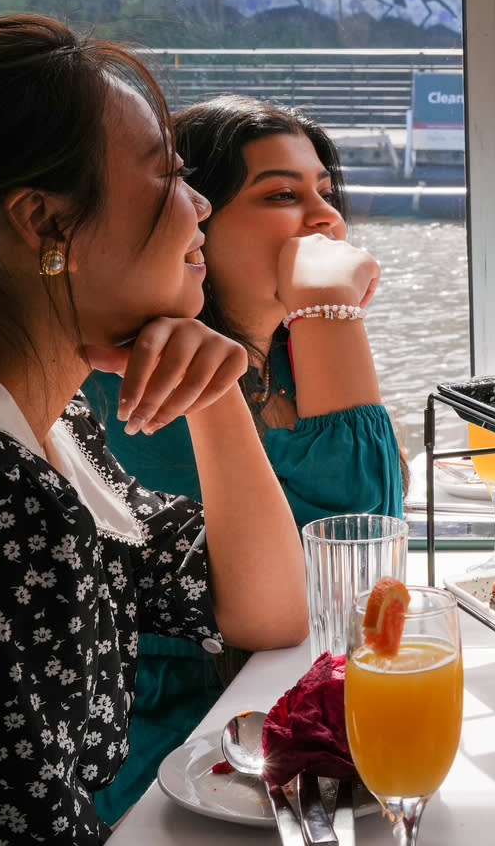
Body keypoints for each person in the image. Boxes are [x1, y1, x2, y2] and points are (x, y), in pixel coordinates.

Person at [0, 14, 306, 844]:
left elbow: (265, 612)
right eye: (168, 176)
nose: (198, 205)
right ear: (47, 223)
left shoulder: (33, 414)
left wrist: (215, 393)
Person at [84, 94, 403, 822]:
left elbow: (371, 552)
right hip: (174, 738)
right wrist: (329, 312)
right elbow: (331, 580)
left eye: (325, 191)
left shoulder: (294, 357)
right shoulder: (127, 377)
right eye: (281, 195)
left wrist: (320, 322)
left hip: (300, 699)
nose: (324, 219)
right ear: (194, 220)